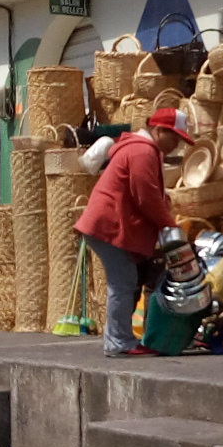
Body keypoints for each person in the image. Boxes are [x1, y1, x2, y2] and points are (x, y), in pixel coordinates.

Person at [76, 107, 193, 356]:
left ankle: (118, 339)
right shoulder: (142, 151)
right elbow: (145, 196)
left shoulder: (141, 148)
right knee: (122, 283)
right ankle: (118, 342)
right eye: (174, 138)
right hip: (107, 225)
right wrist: (169, 224)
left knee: (124, 281)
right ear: (159, 130)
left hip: (103, 224)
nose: (177, 145)